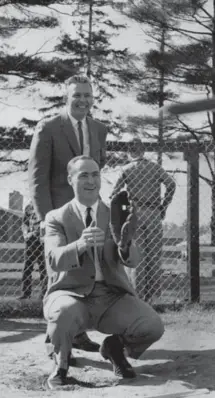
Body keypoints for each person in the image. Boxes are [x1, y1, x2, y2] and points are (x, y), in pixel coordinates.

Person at [43, 155, 164, 390]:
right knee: (62, 313)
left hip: (111, 297)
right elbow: (54, 260)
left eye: (95, 174)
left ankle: (115, 348)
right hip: (71, 293)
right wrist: (80, 244)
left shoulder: (116, 213)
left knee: (152, 325)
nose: (91, 180)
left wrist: (125, 245)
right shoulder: (56, 218)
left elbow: (134, 261)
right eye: (84, 175)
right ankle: (61, 365)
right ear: (70, 179)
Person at [28, 75, 108, 356]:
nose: (83, 100)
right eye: (77, 95)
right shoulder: (49, 128)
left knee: (83, 273)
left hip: (88, 213)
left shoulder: (98, 129)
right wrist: (43, 218)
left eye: (88, 95)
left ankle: (78, 333)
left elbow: (99, 167)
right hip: (58, 215)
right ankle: (57, 342)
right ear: (67, 97)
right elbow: (38, 178)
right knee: (58, 275)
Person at [111, 138, 176, 303]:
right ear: (143, 151)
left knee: (137, 255)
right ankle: (154, 296)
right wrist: (164, 206)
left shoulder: (126, 169)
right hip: (154, 211)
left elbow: (114, 193)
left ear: (129, 152)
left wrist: (122, 211)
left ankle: (137, 296)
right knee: (154, 255)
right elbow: (171, 184)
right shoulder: (155, 167)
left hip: (135, 213)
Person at [19, 201, 47, 299]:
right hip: (30, 242)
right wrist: (27, 234)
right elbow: (24, 224)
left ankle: (44, 293)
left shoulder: (45, 204)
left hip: (42, 242)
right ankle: (26, 293)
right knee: (27, 268)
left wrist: (40, 233)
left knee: (43, 269)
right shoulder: (28, 207)